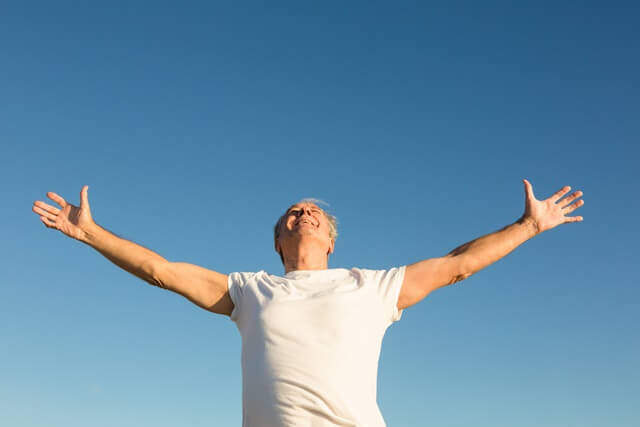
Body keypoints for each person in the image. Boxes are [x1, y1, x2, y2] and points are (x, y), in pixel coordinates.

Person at [32, 180, 584, 427]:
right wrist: (93, 234)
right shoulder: (249, 290)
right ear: (278, 241)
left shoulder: (371, 286)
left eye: (314, 212)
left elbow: (456, 264)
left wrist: (529, 226)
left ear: (332, 240)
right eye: (293, 213)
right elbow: (162, 271)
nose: (304, 213)